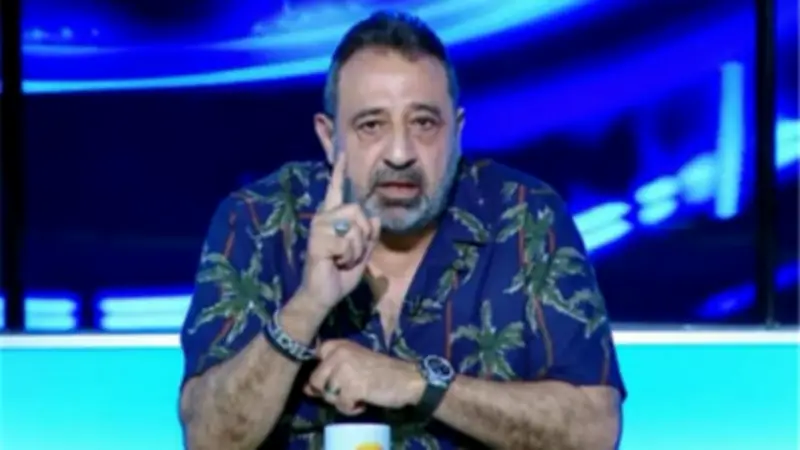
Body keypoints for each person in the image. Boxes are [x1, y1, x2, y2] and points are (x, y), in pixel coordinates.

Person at [178, 10, 625, 450]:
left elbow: (594, 431)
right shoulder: (258, 220)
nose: (399, 153)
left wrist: (419, 383)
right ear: (329, 138)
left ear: (457, 132)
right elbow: (208, 438)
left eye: (424, 123)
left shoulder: (527, 217)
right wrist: (306, 307)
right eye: (371, 125)